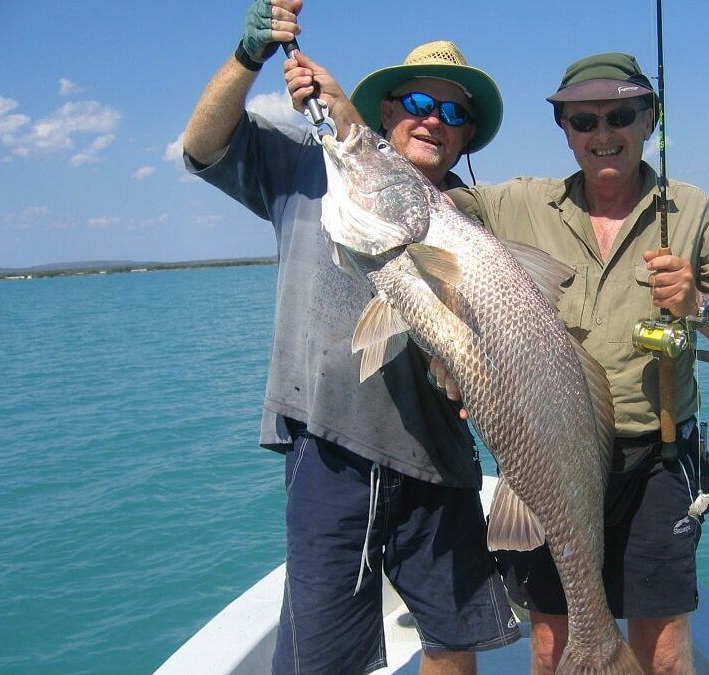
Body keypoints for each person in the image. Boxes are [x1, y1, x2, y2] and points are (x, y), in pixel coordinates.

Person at [181, 1, 519, 673]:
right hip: (330, 445)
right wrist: (250, 55)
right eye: (420, 101)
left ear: (467, 135)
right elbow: (202, 146)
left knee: (454, 644)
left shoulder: (472, 226)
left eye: (454, 113)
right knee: (321, 659)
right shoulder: (312, 167)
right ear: (387, 112)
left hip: (439, 458)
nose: (434, 120)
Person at [447, 53, 709, 675]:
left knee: (666, 651)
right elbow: (426, 199)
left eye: (621, 115)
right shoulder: (516, 204)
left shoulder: (700, 214)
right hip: (547, 453)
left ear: (650, 119)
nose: (603, 135)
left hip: (656, 455)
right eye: (584, 121)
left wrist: (699, 305)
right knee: (550, 647)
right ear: (563, 131)